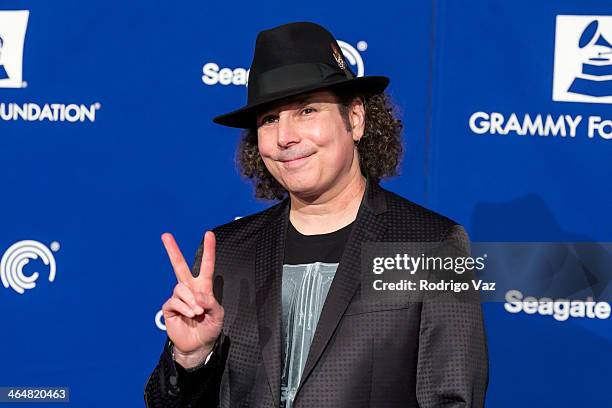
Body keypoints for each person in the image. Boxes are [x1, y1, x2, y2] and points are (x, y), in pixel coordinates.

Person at [144, 21, 488, 408]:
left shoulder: (429, 245)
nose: (285, 136)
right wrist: (191, 360)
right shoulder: (226, 252)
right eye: (269, 119)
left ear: (354, 119)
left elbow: (452, 400)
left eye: (307, 110)